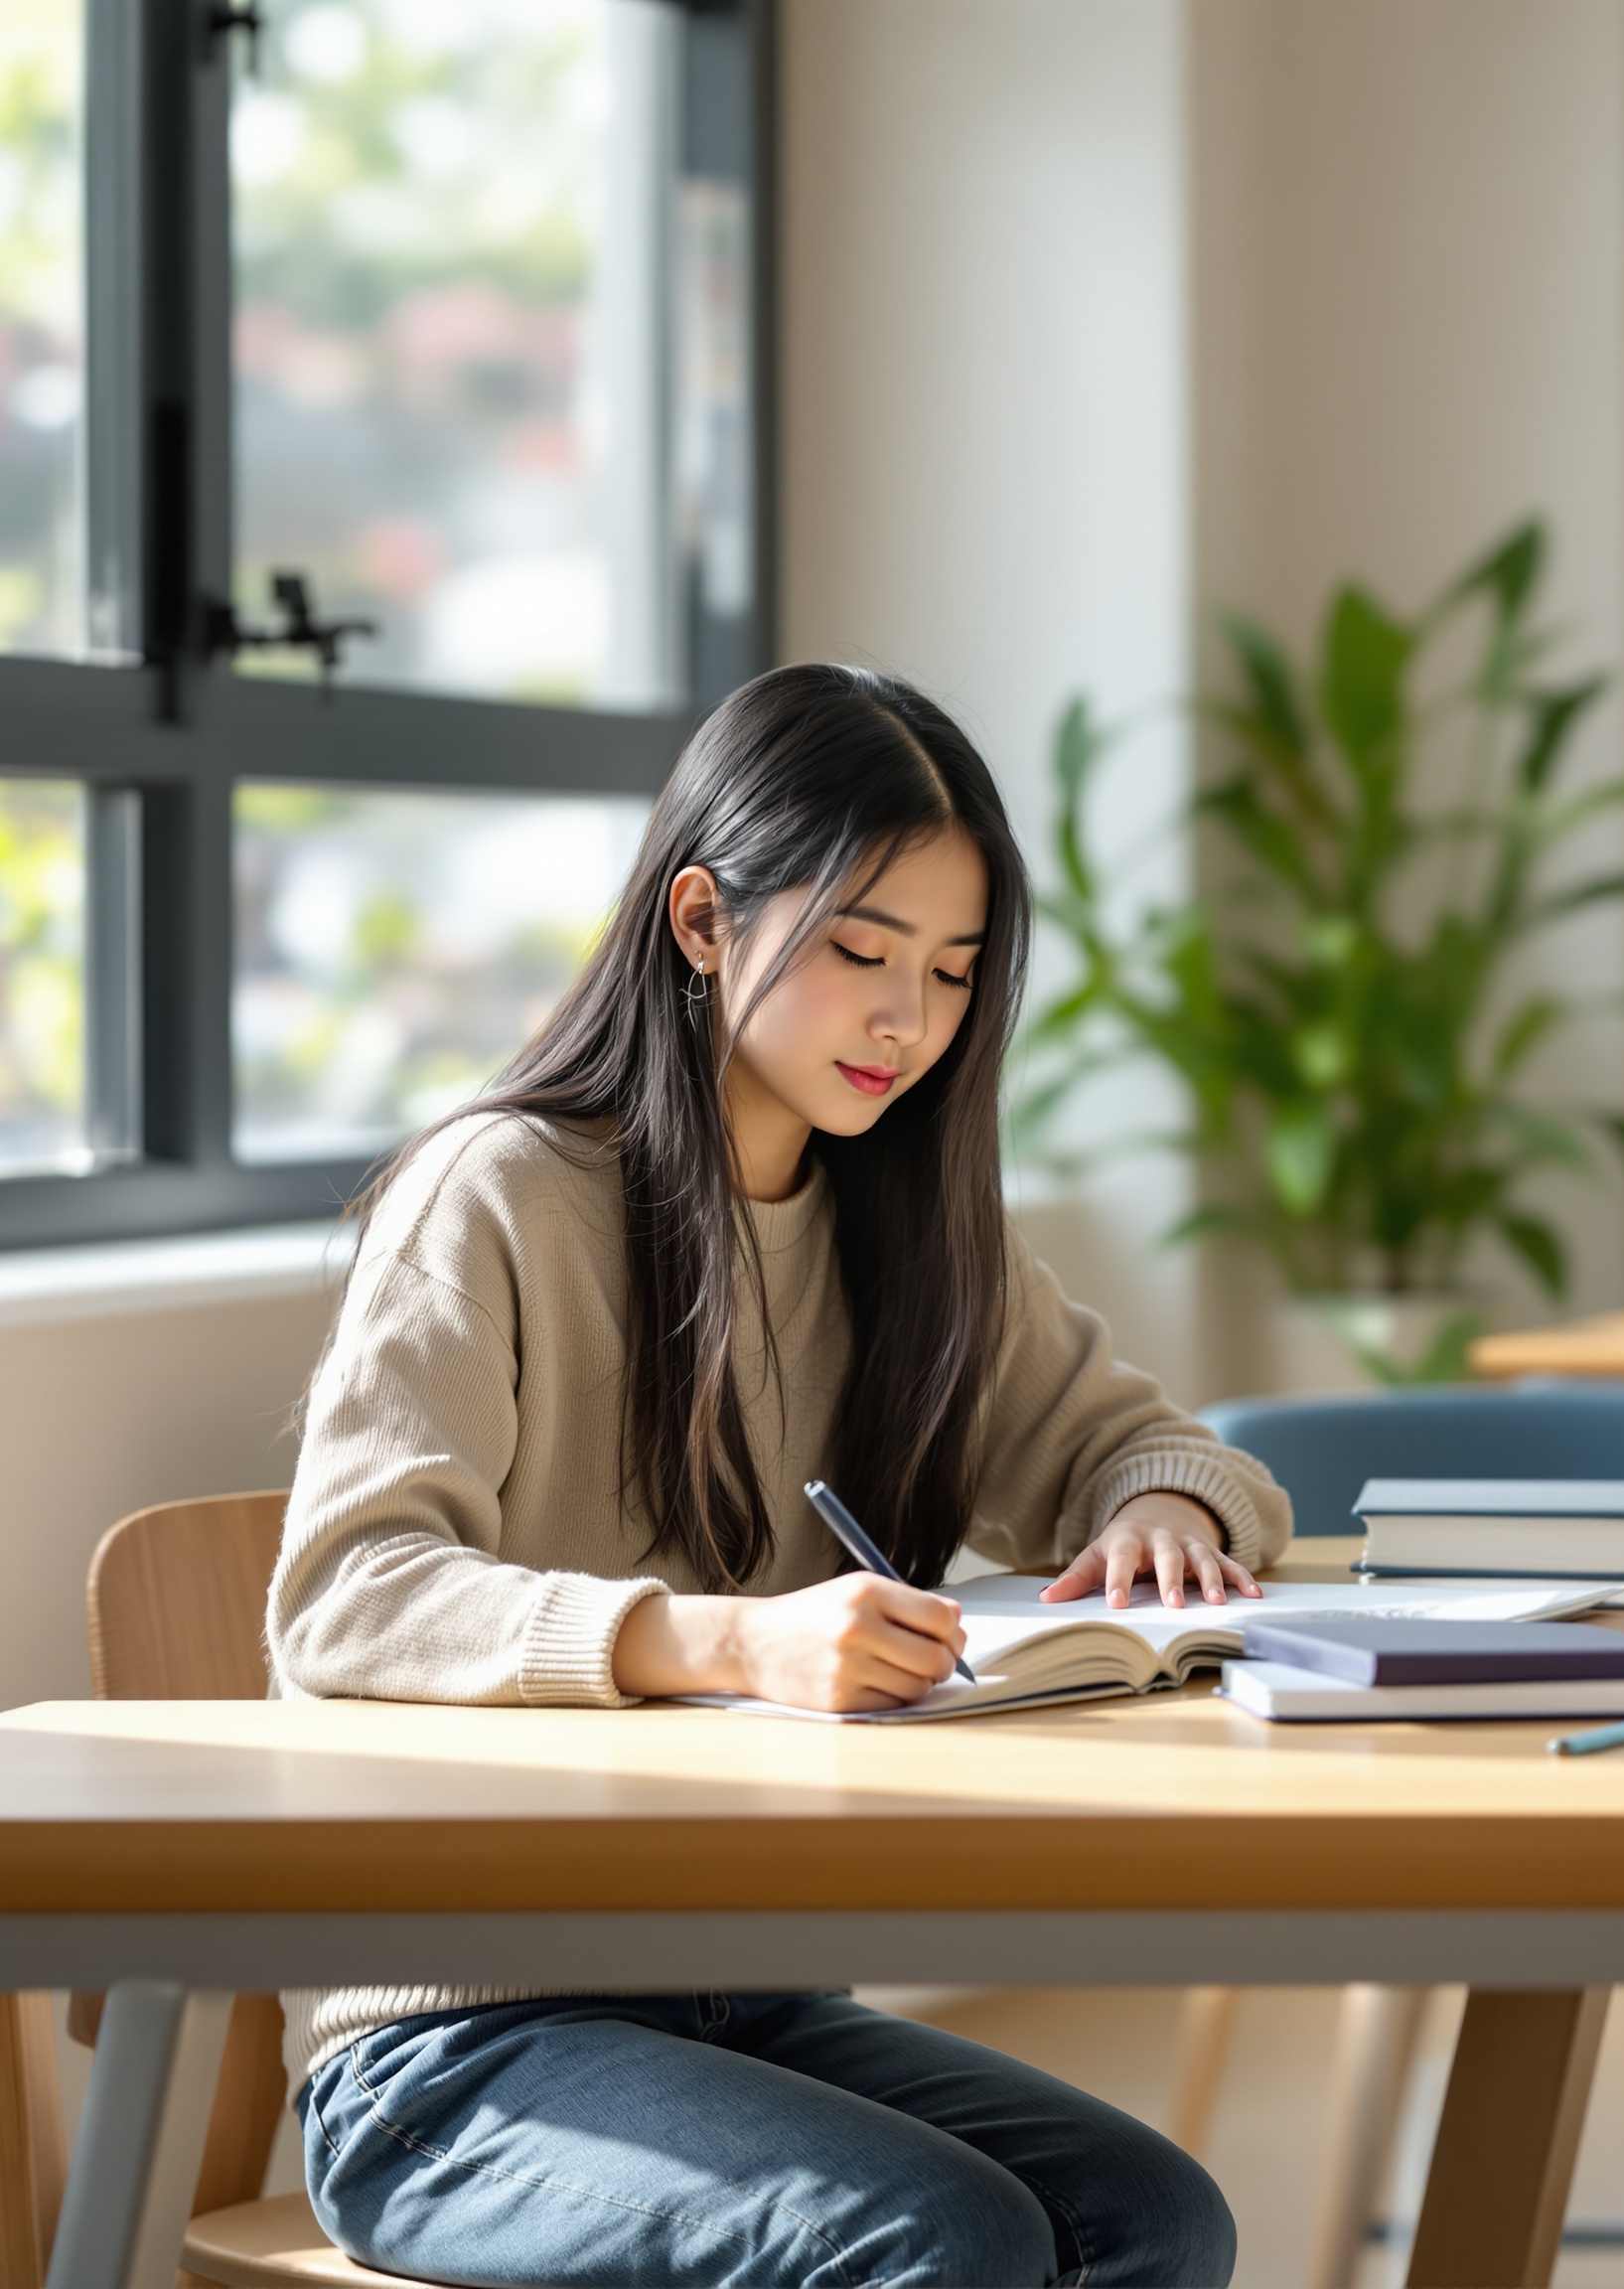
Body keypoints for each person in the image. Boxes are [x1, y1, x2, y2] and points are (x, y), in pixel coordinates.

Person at [268, 662, 1292, 2289]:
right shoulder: (498, 1194)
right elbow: (348, 1593)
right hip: (452, 2050)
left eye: (954, 973)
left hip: (742, 1994)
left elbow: (1148, 1444)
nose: (909, 1018)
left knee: (1156, 2223)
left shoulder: (906, 1228)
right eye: (861, 952)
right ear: (701, 924)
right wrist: (729, 1639)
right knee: (940, 2241)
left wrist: (1163, 1507)